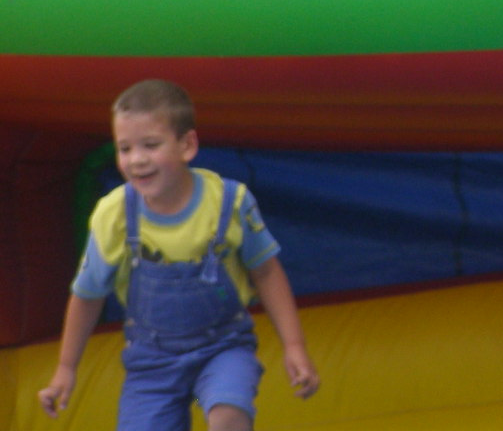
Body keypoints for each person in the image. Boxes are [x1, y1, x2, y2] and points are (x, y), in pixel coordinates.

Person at [38, 79, 319, 429]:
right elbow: (87, 295)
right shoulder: (114, 215)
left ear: (187, 145)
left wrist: (294, 345)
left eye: (150, 145)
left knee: (227, 413)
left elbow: (266, 271)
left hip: (222, 345)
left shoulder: (228, 202)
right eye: (125, 148)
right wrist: (66, 368)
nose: (136, 160)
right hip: (151, 360)